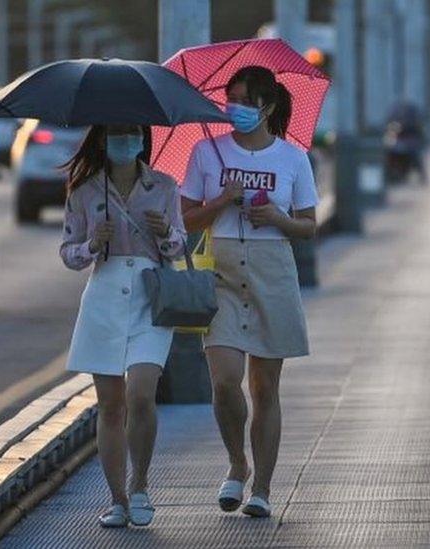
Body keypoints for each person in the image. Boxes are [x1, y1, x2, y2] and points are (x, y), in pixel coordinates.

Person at [180, 66, 318, 518]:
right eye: (230, 100)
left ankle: (263, 486)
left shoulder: (293, 158)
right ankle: (237, 463)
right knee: (223, 381)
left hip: (271, 271)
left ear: (269, 106)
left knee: (264, 386)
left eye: (244, 101)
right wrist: (222, 200)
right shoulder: (206, 152)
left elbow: (308, 226)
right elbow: (186, 221)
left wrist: (276, 218)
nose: (234, 109)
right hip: (220, 268)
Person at [60, 124, 188, 528]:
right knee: (111, 405)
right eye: (117, 134)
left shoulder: (164, 186)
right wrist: (93, 244)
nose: (125, 141)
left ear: (142, 139)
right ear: (102, 139)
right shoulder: (84, 191)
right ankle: (116, 499)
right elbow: (69, 253)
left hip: (151, 297)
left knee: (141, 395)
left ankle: (141, 485)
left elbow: (181, 244)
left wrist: (165, 231)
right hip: (104, 298)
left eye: (132, 133)